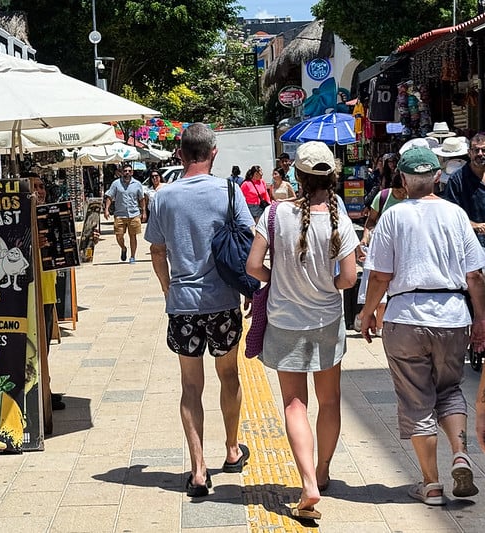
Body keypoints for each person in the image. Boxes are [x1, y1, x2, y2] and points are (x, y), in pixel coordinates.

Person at [360, 146, 485, 506]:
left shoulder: (393, 217)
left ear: (402, 178)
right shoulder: (456, 215)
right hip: (452, 316)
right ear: (437, 177)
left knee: (417, 401)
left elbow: (380, 276)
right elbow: (475, 275)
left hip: (405, 318)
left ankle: (431, 484)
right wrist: (480, 318)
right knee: (450, 390)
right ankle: (460, 454)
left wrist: (367, 313)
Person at [246, 141, 359, 520]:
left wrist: (277, 277)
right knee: (330, 401)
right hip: (327, 321)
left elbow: (252, 266)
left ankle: (308, 483)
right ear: (332, 177)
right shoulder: (339, 217)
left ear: (297, 175)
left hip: (284, 321)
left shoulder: (274, 213)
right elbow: (349, 278)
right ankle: (323, 471)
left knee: (295, 404)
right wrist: (329, 285)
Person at [145, 123, 252, 498]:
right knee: (229, 375)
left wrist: (168, 288)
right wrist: (248, 286)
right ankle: (232, 450)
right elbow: (249, 242)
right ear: (213, 152)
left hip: (183, 305)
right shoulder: (230, 191)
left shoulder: (163, 196)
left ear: (180, 154)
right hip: (223, 301)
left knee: (191, 386)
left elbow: (157, 250)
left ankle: (198, 470)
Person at [353, 170, 407, 336]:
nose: (401, 195)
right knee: (379, 289)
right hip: (381, 248)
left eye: (403, 192)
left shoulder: (411, 198)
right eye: (398, 192)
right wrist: (365, 238)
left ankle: (376, 322)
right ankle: (374, 322)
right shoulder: (383, 197)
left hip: (402, 250)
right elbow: (370, 221)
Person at [30, 173, 66, 411]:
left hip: (47, 291)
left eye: (42, 186)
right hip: (32, 294)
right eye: (34, 186)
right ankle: (39, 393)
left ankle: (45, 389)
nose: (39, 191)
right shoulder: (21, 220)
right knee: (35, 347)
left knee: (44, 348)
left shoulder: (48, 216)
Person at [443, 133, 485, 247]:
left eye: (484, 150)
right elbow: (450, 214)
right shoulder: (457, 180)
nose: (480, 154)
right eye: (476, 150)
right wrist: (474, 225)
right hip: (472, 244)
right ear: (469, 153)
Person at [104, 163, 146, 264]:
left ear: (132, 172)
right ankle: (123, 248)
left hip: (134, 214)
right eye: (125, 171)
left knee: (133, 236)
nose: (127, 173)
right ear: (122, 172)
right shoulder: (116, 184)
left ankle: (132, 257)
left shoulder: (137, 184)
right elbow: (110, 196)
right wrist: (106, 209)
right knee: (119, 235)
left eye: (129, 171)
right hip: (120, 214)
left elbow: (142, 199)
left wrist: (144, 212)